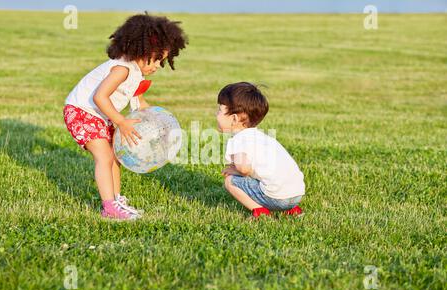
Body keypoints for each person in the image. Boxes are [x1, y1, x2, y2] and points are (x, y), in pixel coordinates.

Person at [63, 12, 188, 220]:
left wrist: (159, 126)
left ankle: (116, 199)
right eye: (157, 60)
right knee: (104, 156)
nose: (158, 66)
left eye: (162, 62)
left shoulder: (137, 75)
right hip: (81, 111)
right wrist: (120, 121)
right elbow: (100, 97)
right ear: (141, 50)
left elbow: (140, 105)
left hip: (101, 115)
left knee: (115, 157)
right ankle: (109, 207)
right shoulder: (122, 69)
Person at [217, 82, 305, 218]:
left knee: (230, 181)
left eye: (219, 110)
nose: (216, 114)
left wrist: (233, 170)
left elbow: (244, 169)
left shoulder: (239, 140)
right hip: (296, 194)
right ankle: (292, 209)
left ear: (234, 119)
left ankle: (260, 212)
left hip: (277, 198)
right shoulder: (262, 137)